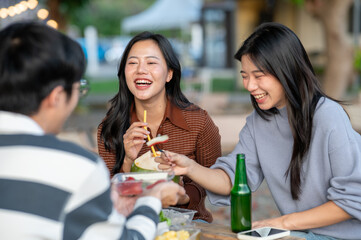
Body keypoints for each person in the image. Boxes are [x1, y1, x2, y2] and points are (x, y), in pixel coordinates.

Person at [157, 22, 361, 239]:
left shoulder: (328, 115)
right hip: (295, 234)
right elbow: (232, 179)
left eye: (259, 75)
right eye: (245, 75)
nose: (249, 85)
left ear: (287, 69)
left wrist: (281, 223)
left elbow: (352, 199)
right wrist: (190, 167)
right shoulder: (258, 123)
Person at [0, 21, 185, 240]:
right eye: (79, 88)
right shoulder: (78, 166)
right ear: (56, 97)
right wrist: (151, 198)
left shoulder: (196, 120)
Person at [97, 31, 221, 222]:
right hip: (133, 226)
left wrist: (182, 194)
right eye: (132, 63)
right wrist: (128, 161)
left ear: (169, 74)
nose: (140, 70)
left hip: (189, 227)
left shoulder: (198, 122)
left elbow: (214, 180)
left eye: (151, 62)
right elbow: (106, 198)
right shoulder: (110, 127)